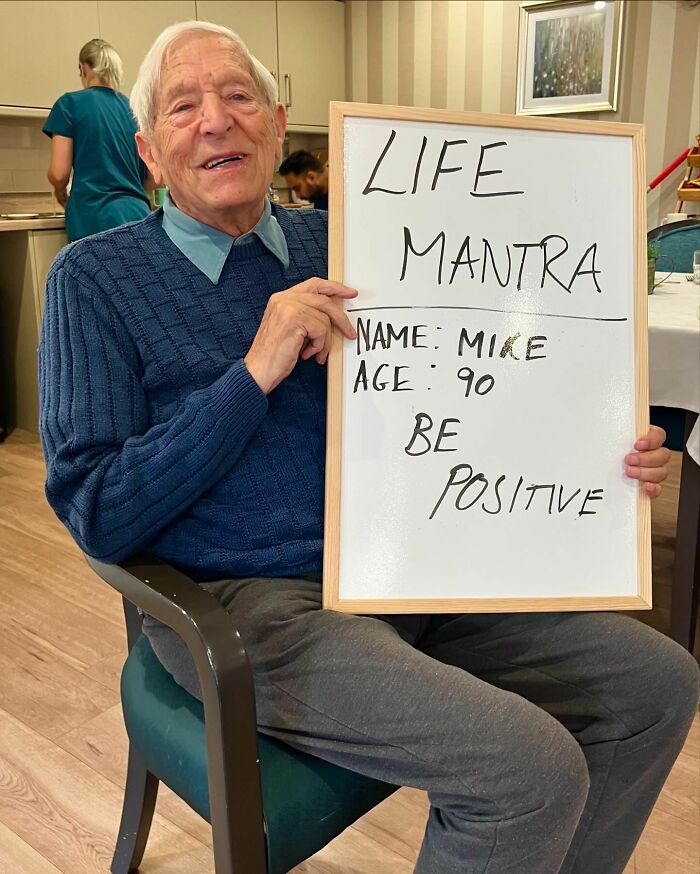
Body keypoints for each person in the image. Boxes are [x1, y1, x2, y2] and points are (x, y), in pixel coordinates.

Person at [39, 20, 699, 874]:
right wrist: (250, 376)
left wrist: (595, 451)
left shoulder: (358, 240)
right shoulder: (93, 280)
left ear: (279, 124)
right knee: (526, 772)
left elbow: (479, 383)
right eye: (183, 106)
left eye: (240, 95)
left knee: (657, 685)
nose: (216, 120)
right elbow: (96, 506)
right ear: (149, 154)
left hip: (412, 563)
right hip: (253, 602)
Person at [43, 38, 151, 241]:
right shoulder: (134, 111)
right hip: (138, 216)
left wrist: (60, 191)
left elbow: (59, 174)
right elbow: (154, 177)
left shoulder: (69, 104)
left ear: (83, 68)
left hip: (93, 220)